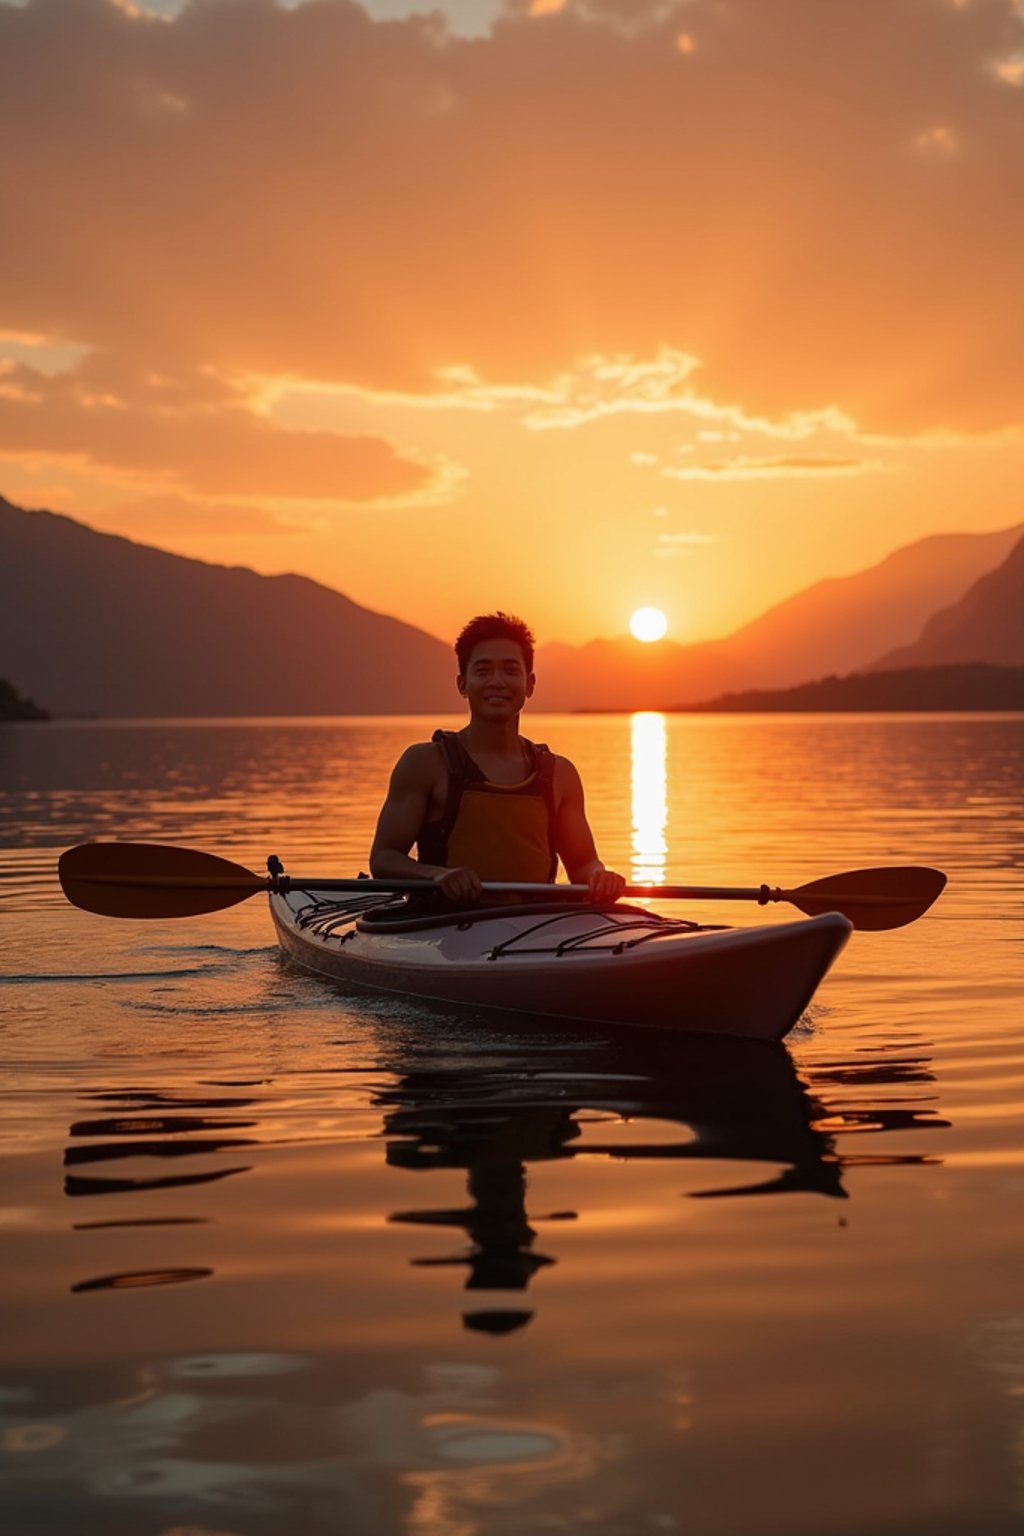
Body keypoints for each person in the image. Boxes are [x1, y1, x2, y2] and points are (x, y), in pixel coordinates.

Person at [370, 612, 627, 906]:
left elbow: (583, 865)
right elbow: (384, 859)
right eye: (482, 671)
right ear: (462, 684)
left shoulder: (560, 774)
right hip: (441, 932)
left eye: (510, 671)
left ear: (529, 684)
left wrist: (601, 877)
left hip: (533, 933)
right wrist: (435, 876)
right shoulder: (424, 764)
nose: (497, 682)